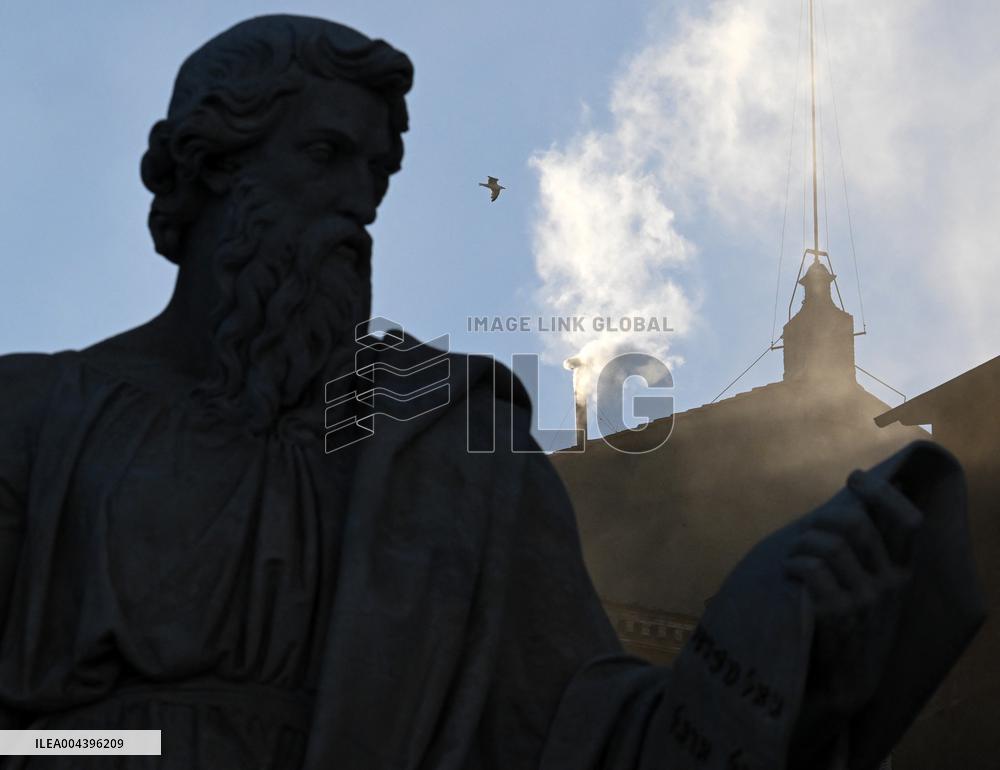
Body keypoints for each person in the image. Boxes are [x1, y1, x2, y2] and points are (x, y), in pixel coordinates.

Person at [0, 15, 983, 770]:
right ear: (209, 168)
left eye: (380, 173)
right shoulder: (33, 419)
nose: (361, 200)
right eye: (326, 155)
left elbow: (586, 737)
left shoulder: (448, 441)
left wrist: (767, 622)